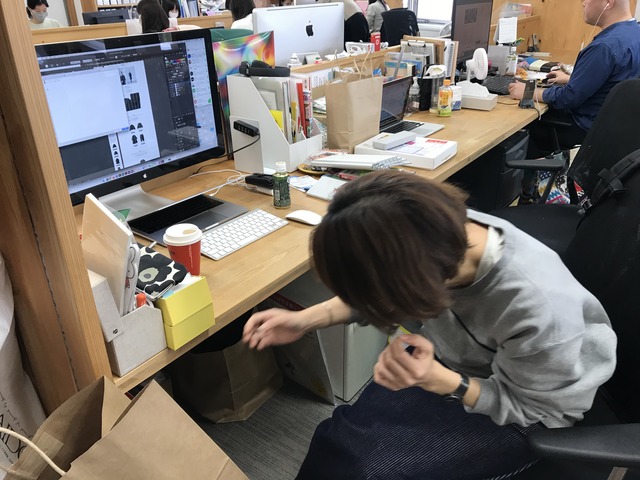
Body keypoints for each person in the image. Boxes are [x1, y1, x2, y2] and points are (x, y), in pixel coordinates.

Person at [243, 171, 617, 479]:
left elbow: (533, 407)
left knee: (372, 470)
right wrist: (305, 319)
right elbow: (377, 287)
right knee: (337, 437)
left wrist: (441, 381)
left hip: (530, 405)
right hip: (463, 361)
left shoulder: (537, 309)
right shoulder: (439, 235)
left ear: (416, 283)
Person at [509, 0, 640, 155]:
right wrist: (573, 79)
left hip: (583, 129)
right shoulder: (634, 33)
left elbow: (568, 98)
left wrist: (529, 92)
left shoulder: (604, 46)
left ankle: (526, 169)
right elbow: (618, 82)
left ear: (608, 2)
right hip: (612, 130)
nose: (583, 3)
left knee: (515, 128)